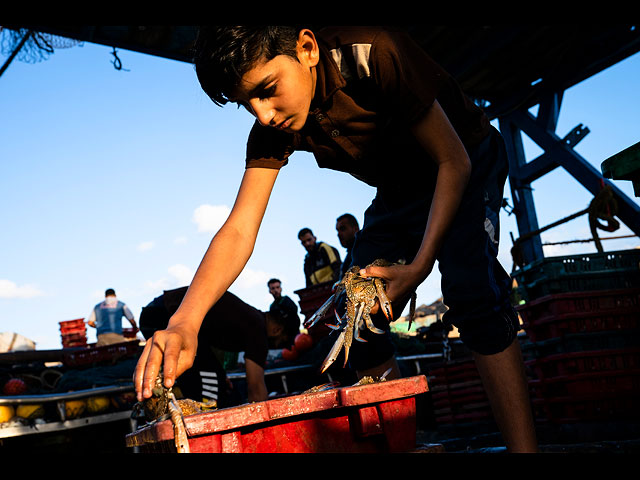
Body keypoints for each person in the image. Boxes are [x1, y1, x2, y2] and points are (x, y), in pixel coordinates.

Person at [135, 26, 537, 452]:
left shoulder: (372, 54)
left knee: (472, 290)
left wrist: (418, 268)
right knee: (355, 322)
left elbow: (452, 161)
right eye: (246, 103)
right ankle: (404, 444)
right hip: (400, 194)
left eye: (268, 90)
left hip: (465, 159)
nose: (263, 115)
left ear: (307, 49)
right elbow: (239, 228)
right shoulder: (273, 127)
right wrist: (185, 321)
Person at [139, 287, 297, 405]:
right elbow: (256, 389)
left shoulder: (251, 317)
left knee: (218, 384)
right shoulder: (258, 330)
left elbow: (207, 350)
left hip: (157, 310)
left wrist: (220, 375)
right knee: (211, 389)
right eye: (282, 341)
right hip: (162, 315)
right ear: (277, 330)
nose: (278, 345)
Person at [267, 278, 301, 343]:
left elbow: (294, 313)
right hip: (282, 339)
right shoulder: (272, 307)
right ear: (270, 291)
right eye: (273, 288)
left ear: (281, 288)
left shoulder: (287, 300)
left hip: (295, 335)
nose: (276, 290)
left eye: (277, 287)